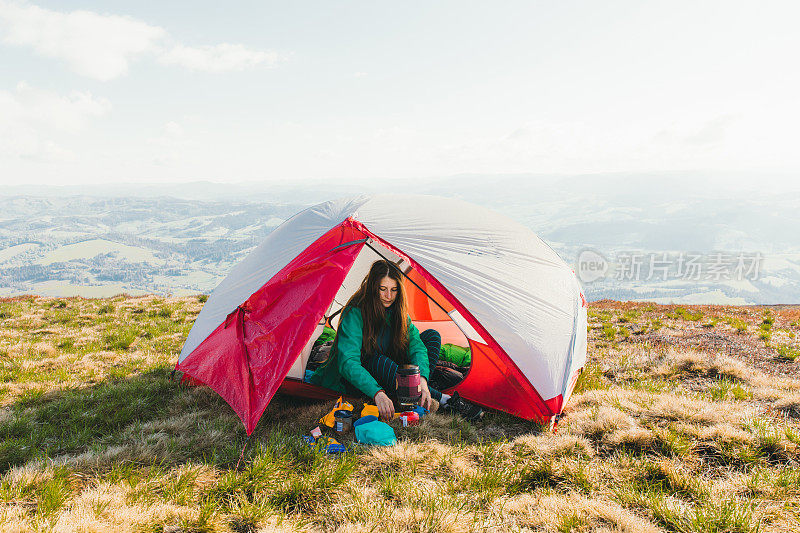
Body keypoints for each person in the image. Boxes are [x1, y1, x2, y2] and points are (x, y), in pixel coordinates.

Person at [309, 259, 453, 421]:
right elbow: (348, 363)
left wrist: (423, 380)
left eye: (394, 290)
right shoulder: (355, 313)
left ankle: (417, 391)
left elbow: (416, 347)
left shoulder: (398, 312)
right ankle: (443, 399)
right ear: (373, 288)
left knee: (432, 337)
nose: (388, 296)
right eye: (382, 289)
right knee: (378, 360)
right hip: (359, 379)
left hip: (391, 371)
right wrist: (377, 393)